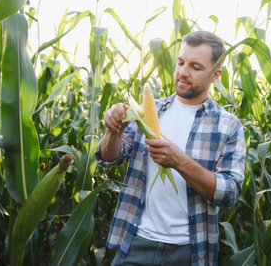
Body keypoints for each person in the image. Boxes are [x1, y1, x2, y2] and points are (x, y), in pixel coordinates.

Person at [95, 30, 246, 266]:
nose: (183, 72)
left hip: (189, 251)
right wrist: (112, 132)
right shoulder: (148, 111)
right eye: (181, 62)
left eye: (195, 67)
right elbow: (110, 158)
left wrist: (179, 161)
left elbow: (229, 192)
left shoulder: (228, 126)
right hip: (136, 241)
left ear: (215, 74)